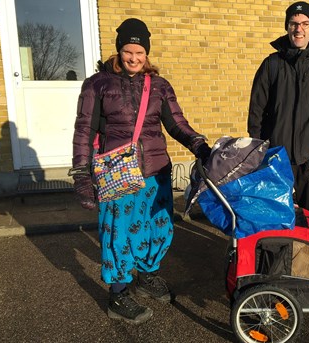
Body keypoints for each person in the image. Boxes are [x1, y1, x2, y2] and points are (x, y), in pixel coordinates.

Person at [70, 18, 211, 325]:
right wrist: (82, 173)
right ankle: (118, 293)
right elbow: (84, 130)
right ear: (118, 50)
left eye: (139, 52)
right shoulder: (97, 84)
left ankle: (146, 276)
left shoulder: (159, 86)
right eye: (127, 51)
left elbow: (176, 123)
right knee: (118, 233)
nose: (133, 58)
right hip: (117, 173)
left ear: (147, 53)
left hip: (156, 170)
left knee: (158, 228)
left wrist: (198, 144)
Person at [247, 1, 309, 214]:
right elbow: (256, 114)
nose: (298, 29)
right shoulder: (271, 64)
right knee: (274, 220)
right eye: (293, 23)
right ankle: (276, 250)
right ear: (287, 27)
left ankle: (303, 249)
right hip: (276, 159)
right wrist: (262, 151)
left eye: (305, 23)